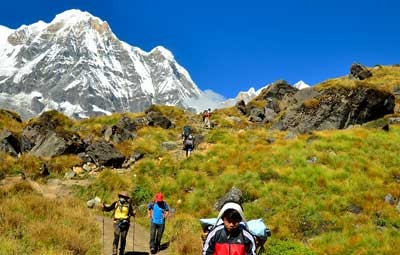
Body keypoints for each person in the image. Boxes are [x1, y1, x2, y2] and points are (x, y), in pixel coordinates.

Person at [102, 191, 136, 255]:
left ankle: (121, 251)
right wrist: (104, 207)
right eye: (121, 196)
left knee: (123, 238)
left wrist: (134, 213)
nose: (122, 198)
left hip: (125, 223)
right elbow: (109, 209)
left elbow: (131, 213)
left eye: (124, 197)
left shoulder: (129, 205)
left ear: (126, 198)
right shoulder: (116, 203)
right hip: (116, 222)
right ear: (119, 197)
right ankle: (115, 251)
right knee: (116, 236)